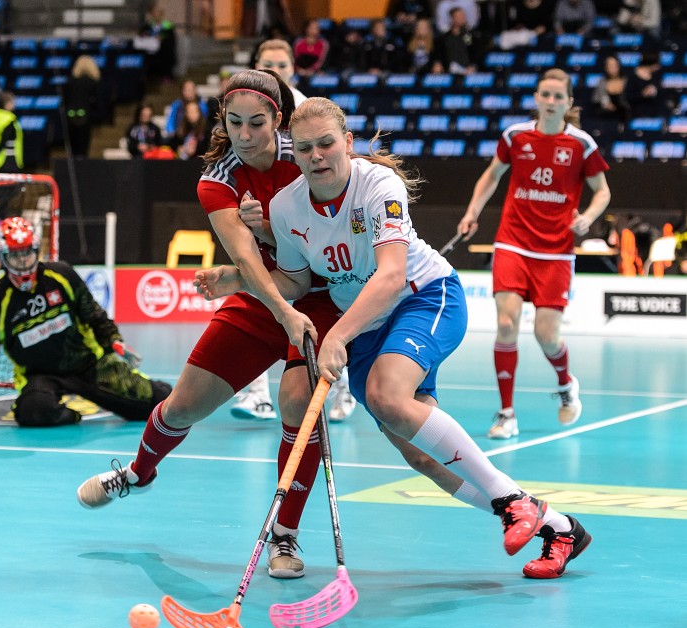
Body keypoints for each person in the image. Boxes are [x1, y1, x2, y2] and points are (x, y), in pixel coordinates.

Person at [195, 96, 592, 579]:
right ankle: (556, 526)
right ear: (292, 154)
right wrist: (238, 280)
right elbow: (296, 283)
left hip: (423, 298)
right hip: (365, 324)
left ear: (347, 143)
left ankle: (512, 502)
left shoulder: (378, 184)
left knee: (387, 394)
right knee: (420, 453)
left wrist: (337, 335)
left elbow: (390, 275)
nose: (317, 155)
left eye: (326, 144)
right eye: (304, 149)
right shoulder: (286, 207)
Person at [76, 69, 344, 580]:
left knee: (295, 402)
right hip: (265, 296)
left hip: (324, 297)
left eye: (257, 123)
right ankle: (137, 472)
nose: (245, 135)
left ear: (279, 120)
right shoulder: (217, 179)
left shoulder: (305, 155)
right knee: (179, 407)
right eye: (234, 122)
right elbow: (246, 258)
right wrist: (272, 301)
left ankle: (283, 536)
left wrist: (276, 237)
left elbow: (334, 225)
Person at [457, 68, 611, 440]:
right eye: (545, 94)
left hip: (556, 251)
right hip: (513, 242)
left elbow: (602, 192)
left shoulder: (581, 144)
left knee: (547, 335)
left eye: (559, 96)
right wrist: (472, 212)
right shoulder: (515, 136)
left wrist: (587, 218)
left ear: (569, 103)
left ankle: (565, 382)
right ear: (537, 99)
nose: (552, 101)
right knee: (506, 324)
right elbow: (492, 175)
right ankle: (506, 413)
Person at [231, 39, 357, 423]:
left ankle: (343, 388)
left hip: (308, 232)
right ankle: (258, 395)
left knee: (331, 311)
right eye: (266, 63)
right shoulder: (243, 112)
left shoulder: (303, 111)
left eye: (281, 64)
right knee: (265, 305)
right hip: (263, 226)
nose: (274, 69)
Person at [0, 217, 172, 428]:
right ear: (2, 257)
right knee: (34, 411)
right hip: (40, 376)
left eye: (27, 254)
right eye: (15, 256)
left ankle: (155, 389)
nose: (23, 262)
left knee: (159, 404)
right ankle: (72, 416)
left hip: (89, 363)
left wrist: (114, 341)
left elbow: (93, 313)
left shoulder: (62, 275)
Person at [64, 55, 102, 158]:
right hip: (85, 117)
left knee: (73, 148)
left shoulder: (70, 82)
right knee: (83, 147)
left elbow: (65, 100)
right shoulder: (93, 83)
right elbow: (97, 102)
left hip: (70, 116)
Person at [138, 0, 177, 83]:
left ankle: (166, 76)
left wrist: (161, 38)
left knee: (167, 53)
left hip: (163, 50)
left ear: (161, 14)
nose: (156, 15)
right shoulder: (148, 25)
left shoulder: (167, 25)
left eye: (158, 13)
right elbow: (141, 34)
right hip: (150, 49)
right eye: (154, 13)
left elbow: (171, 38)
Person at [591, 55, 630, 126]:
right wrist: (605, 104)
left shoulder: (627, 81)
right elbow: (595, 100)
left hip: (625, 117)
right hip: (606, 117)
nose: (611, 68)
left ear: (619, 66)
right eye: (608, 65)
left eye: (613, 65)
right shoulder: (601, 82)